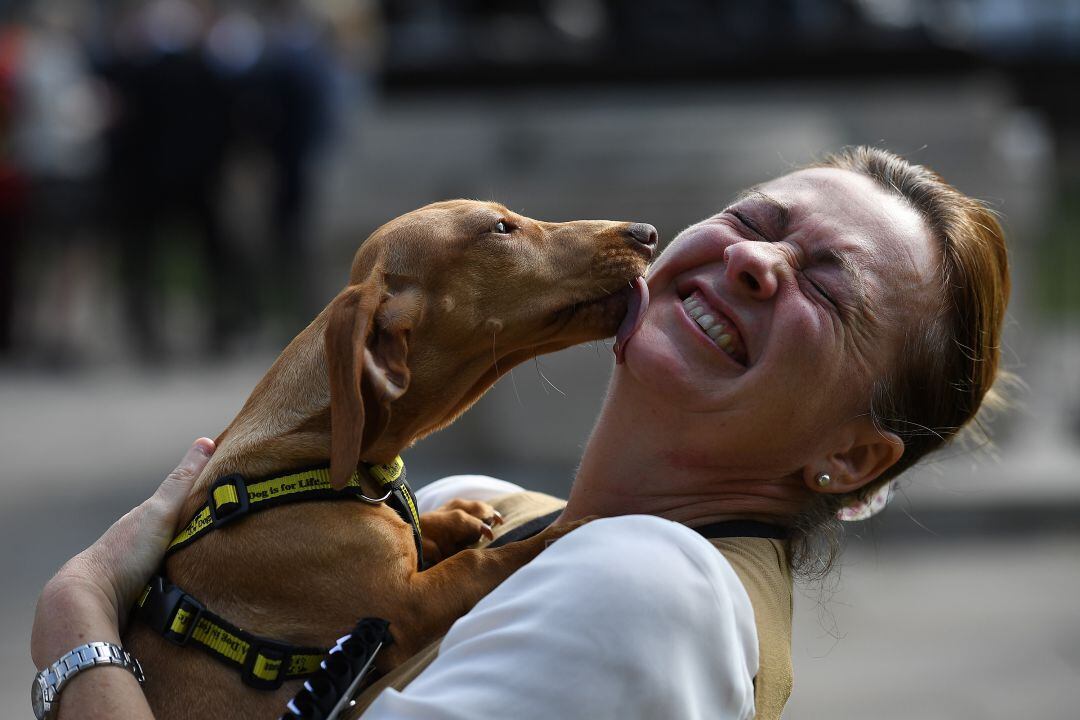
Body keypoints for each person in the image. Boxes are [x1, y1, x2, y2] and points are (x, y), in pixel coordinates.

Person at [31, 147, 1010, 719]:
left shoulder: (645, 594)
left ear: (851, 459)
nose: (756, 259)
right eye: (754, 218)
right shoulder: (485, 513)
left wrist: (75, 635)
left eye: (829, 288)